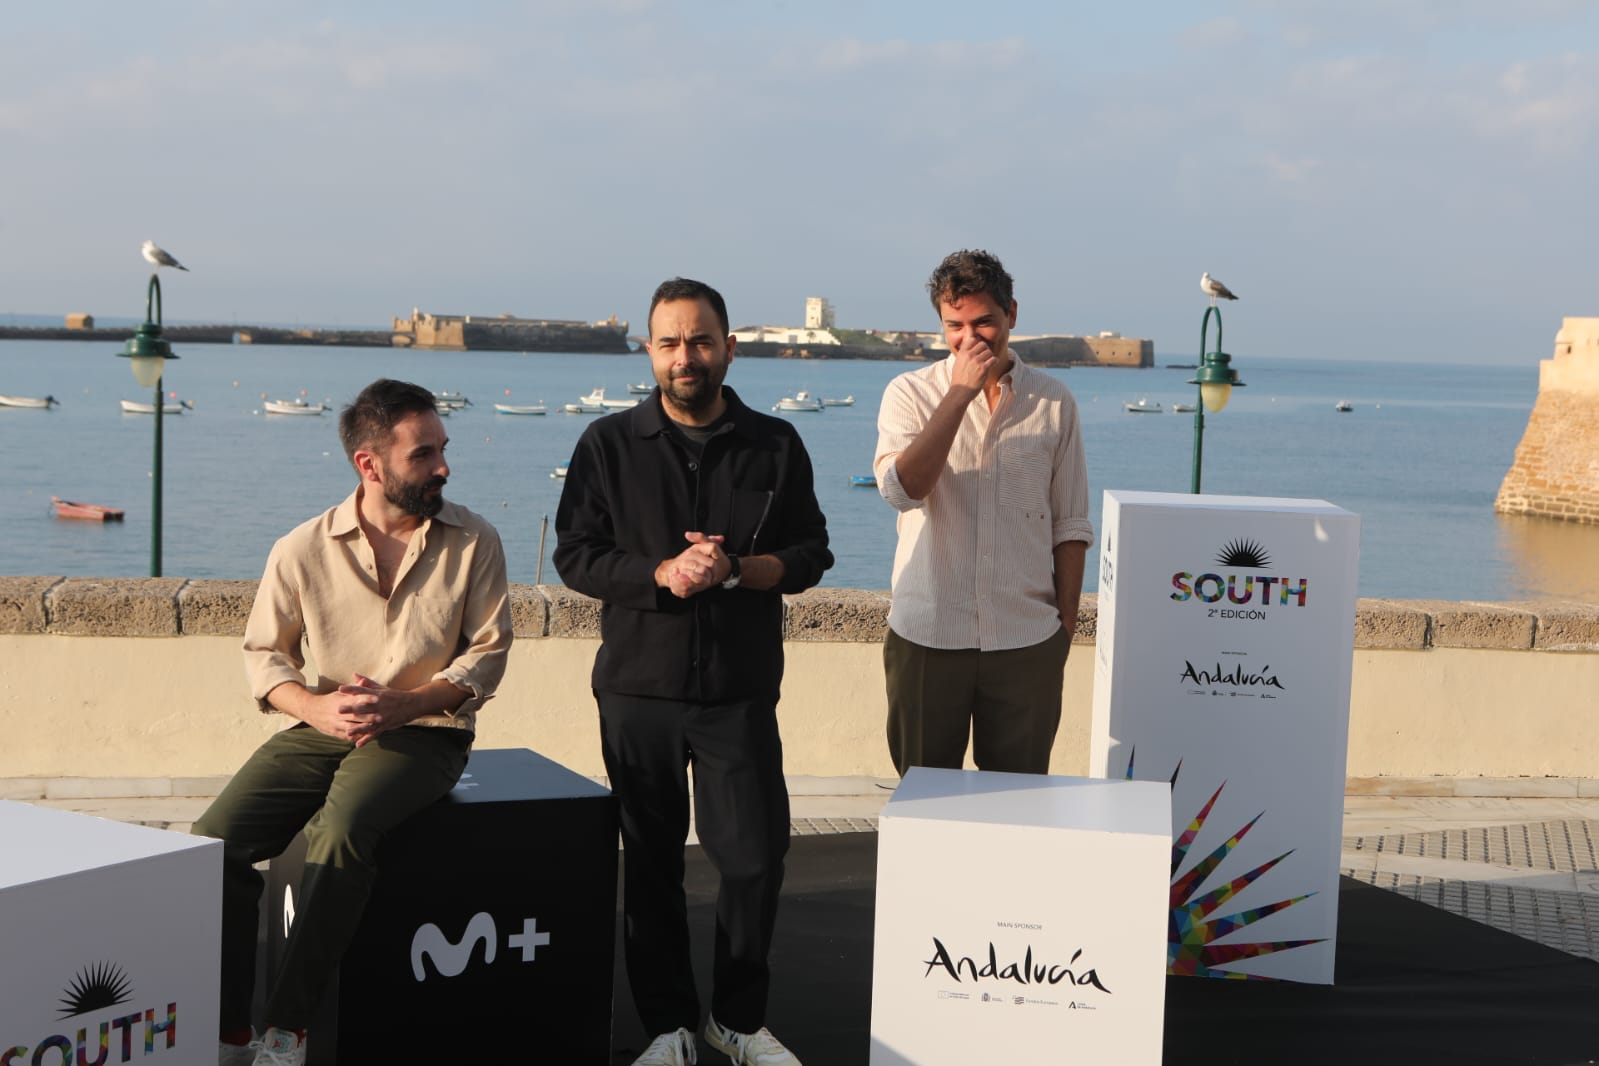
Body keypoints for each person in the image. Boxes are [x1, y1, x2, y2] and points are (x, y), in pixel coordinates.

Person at [193, 378, 512, 1066]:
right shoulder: (301, 547)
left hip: (427, 733)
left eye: (442, 449)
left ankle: (285, 1027)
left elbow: (487, 655)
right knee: (211, 845)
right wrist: (313, 707)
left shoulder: (474, 539)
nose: (443, 467)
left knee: (338, 831)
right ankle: (229, 1028)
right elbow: (264, 656)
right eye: (423, 454)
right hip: (321, 725)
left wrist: (408, 702)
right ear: (369, 465)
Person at [554, 277, 832, 1066]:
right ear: (650, 351)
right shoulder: (605, 445)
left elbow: (812, 553)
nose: (686, 357)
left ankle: (737, 1021)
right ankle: (668, 1026)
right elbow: (575, 555)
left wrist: (738, 569)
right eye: (671, 342)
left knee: (753, 858)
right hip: (637, 689)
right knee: (649, 864)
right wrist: (662, 575)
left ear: (728, 348)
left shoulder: (776, 444)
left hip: (737, 691)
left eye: (701, 341)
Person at [873, 249, 1093, 776]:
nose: (969, 338)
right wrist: (958, 396)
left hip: (1025, 640)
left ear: (1011, 314)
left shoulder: (1054, 401)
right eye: (955, 325)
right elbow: (903, 490)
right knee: (924, 804)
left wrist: (1063, 624)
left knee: (1017, 809)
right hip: (927, 635)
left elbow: (1070, 523)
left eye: (984, 322)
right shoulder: (908, 393)